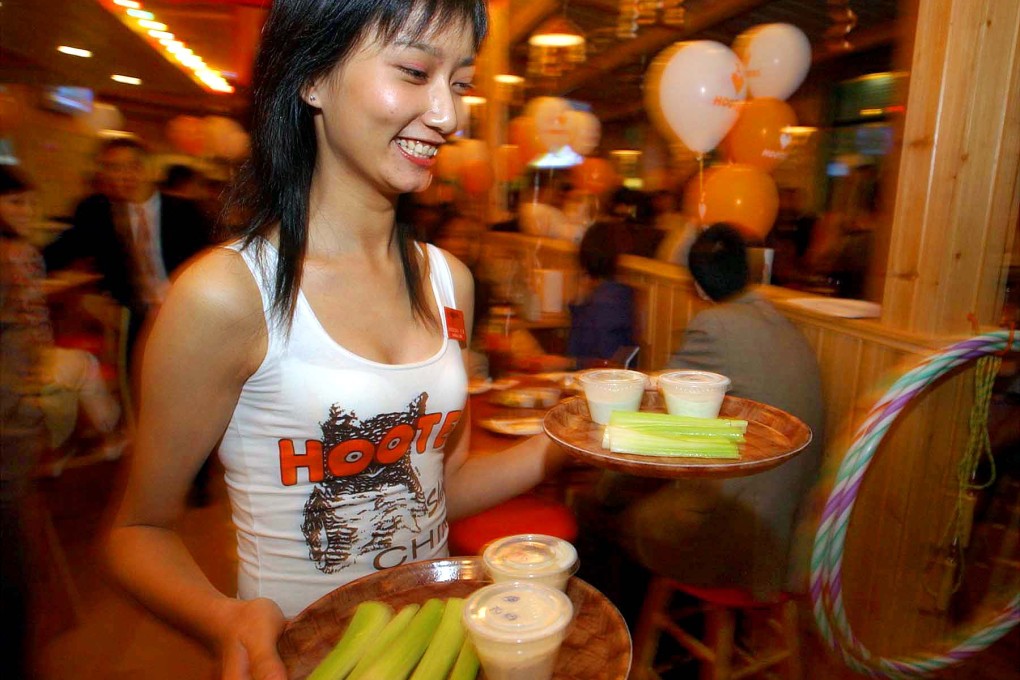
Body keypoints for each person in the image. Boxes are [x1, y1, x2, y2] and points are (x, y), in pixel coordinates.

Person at [106, 3, 565, 679]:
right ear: (312, 77)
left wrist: (568, 446)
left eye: (460, 83)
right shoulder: (228, 295)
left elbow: (443, 484)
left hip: (442, 649)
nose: (449, 114)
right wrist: (225, 619)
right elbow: (136, 532)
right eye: (415, 70)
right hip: (306, 659)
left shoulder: (450, 283)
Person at [581, 224, 824, 607]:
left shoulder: (714, 325)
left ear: (695, 286)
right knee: (634, 495)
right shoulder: (776, 320)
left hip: (743, 536)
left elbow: (657, 412)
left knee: (601, 514)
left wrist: (603, 481)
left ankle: (623, 640)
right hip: (787, 531)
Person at [44, 138, 212, 353]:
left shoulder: (184, 212)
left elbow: (207, 259)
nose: (121, 176)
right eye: (112, 168)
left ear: (149, 170)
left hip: (184, 307)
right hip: (134, 315)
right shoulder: (96, 212)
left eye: (132, 167)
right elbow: (64, 249)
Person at [0, 166, 121, 451]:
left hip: (19, 370)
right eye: (16, 202)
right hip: (20, 373)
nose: (27, 211)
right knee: (86, 364)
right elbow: (30, 323)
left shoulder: (19, 252)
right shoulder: (17, 254)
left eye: (31, 203)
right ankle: (110, 436)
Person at [567, 220, 636, 366]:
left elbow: (609, 364)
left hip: (601, 383)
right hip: (588, 379)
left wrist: (565, 363)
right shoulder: (609, 295)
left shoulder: (609, 300)